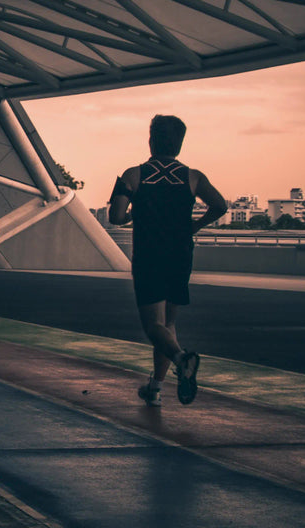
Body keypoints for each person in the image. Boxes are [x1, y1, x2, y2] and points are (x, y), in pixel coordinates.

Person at [108, 115, 227, 407]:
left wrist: (137, 211)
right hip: (180, 254)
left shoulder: (134, 175)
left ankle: (181, 358)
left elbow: (116, 217)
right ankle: (156, 388)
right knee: (168, 323)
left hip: (149, 255)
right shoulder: (193, 176)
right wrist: (195, 226)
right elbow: (220, 205)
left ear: (151, 140)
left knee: (153, 326)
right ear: (180, 143)